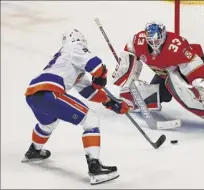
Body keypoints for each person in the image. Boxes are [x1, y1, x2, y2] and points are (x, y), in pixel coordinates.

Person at [22, 29, 129, 185]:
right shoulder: (74, 47)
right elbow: (96, 65)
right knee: (90, 120)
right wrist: (101, 76)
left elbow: (88, 92)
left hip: (33, 94)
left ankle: (34, 150)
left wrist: (110, 102)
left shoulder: (66, 61)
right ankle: (95, 167)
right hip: (49, 92)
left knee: (48, 123)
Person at [112, 21, 204, 133]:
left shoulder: (176, 46)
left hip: (189, 67)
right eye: (151, 41)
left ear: (163, 36)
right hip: (166, 72)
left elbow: (192, 63)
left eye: (157, 40)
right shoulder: (139, 41)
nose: (154, 43)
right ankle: (130, 99)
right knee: (152, 94)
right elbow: (130, 50)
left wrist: (198, 81)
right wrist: (124, 71)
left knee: (190, 95)